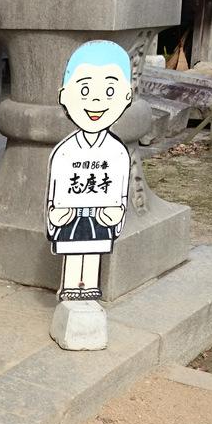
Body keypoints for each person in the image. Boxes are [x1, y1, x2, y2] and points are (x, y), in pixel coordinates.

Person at [46, 40, 133, 301]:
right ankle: (71, 286)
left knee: (93, 251)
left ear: (127, 96)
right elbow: (55, 191)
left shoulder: (117, 152)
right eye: (84, 89)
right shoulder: (65, 151)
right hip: (71, 215)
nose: (96, 100)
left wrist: (116, 212)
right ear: (64, 95)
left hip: (100, 216)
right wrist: (55, 213)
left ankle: (89, 286)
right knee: (73, 250)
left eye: (110, 90)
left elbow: (120, 191)